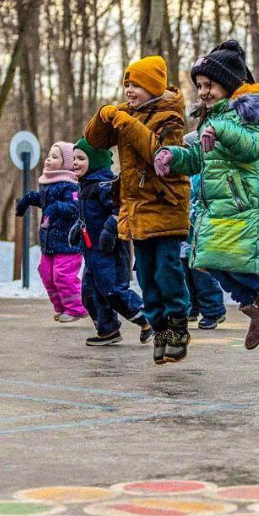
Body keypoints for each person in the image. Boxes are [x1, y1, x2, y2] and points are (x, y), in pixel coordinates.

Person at [154, 40, 259, 352]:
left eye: (210, 84)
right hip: (218, 208)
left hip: (244, 205)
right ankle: (254, 307)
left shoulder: (246, 113)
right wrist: (173, 156)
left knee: (242, 266)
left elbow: (252, 147)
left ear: (228, 83)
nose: (203, 91)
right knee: (214, 265)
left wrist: (222, 132)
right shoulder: (210, 118)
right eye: (200, 86)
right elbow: (198, 160)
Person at [83, 56, 192, 364]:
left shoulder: (171, 117)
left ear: (153, 87)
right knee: (145, 275)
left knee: (167, 271)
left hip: (166, 204)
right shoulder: (128, 114)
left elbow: (160, 154)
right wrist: (103, 116)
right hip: (137, 209)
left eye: (137, 85)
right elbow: (95, 141)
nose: (130, 90)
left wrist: (126, 123)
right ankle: (159, 329)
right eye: (127, 84)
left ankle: (178, 328)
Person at [73, 137, 151, 347]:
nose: (75, 163)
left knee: (113, 290)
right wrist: (77, 228)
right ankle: (108, 330)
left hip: (111, 249)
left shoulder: (106, 185)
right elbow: (87, 216)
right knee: (89, 293)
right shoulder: (85, 186)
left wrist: (111, 228)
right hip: (92, 251)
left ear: (96, 161)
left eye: (81, 158)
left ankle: (147, 320)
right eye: (74, 158)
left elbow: (121, 209)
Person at [16, 141, 88, 323]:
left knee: (62, 275)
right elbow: (44, 201)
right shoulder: (48, 183)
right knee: (46, 272)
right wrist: (28, 199)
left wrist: (55, 208)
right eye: (48, 156)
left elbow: (74, 208)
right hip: (49, 241)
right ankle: (61, 307)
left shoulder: (71, 185)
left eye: (55, 157)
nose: (48, 160)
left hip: (67, 241)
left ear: (66, 163)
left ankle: (76, 308)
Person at [183, 169, 226, 330]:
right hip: (182, 232)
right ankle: (191, 307)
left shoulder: (205, 175)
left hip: (201, 232)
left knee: (203, 275)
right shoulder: (178, 174)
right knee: (184, 274)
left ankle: (213, 311)